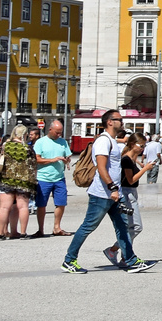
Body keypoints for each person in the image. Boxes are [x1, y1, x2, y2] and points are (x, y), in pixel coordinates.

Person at [62, 110, 149, 272]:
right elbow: (102, 168)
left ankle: (130, 261)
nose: (122, 122)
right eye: (119, 119)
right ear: (110, 122)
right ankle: (69, 260)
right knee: (88, 226)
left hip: (113, 195)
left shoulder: (112, 141)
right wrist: (112, 187)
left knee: (122, 227)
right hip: (102, 194)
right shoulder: (103, 141)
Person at [103, 132, 157, 265]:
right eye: (141, 145)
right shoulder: (126, 160)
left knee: (130, 227)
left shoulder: (131, 159)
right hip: (127, 194)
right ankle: (114, 249)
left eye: (144, 146)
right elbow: (131, 180)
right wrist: (145, 169)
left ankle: (125, 258)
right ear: (133, 145)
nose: (142, 148)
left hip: (131, 193)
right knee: (136, 226)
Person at [0, 125, 37, 239]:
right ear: (25, 135)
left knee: (4, 207)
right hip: (24, 181)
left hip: (6, 179)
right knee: (22, 207)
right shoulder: (28, 149)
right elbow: (34, 165)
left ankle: (0, 233)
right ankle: (22, 233)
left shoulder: (5, 146)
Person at [33, 119, 73, 237]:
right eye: (57, 132)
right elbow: (36, 159)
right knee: (41, 204)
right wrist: (52, 160)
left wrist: (67, 160)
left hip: (59, 177)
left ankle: (57, 227)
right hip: (43, 178)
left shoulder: (63, 142)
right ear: (50, 130)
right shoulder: (40, 142)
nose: (59, 135)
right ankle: (40, 229)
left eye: (60, 132)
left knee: (61, 203)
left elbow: (68, 155)